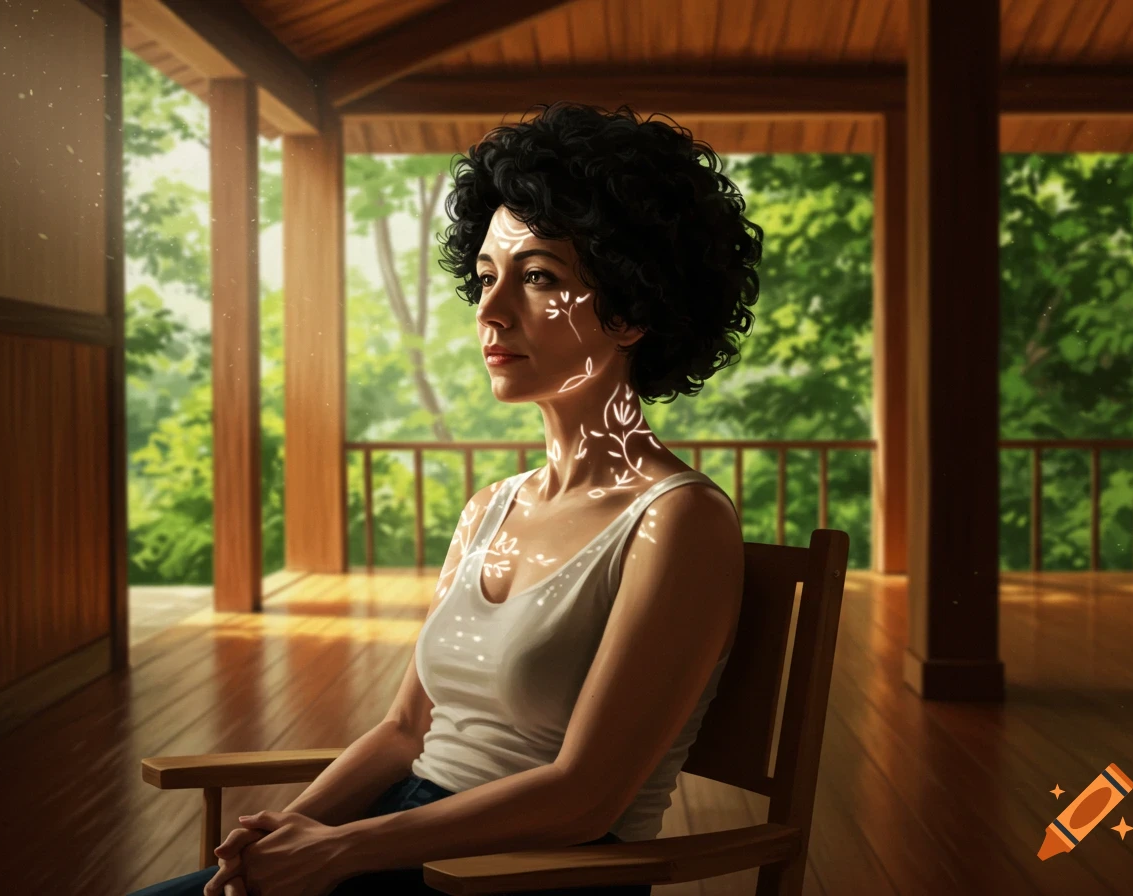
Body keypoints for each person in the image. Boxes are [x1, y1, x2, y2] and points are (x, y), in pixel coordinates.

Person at [128, 100, 762, 896]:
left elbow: (585, 797)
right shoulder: (489, 508)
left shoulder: (678, 520)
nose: (491, 313)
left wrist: (343, 851)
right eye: (487, 277)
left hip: (529, 873)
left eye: (538, 278)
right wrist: (286, 832)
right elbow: (403, 732)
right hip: (398, 835)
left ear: (632, 309)